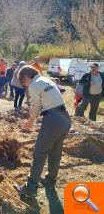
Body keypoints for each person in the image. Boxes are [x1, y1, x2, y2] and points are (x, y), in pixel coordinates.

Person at [14, 66, 71, 198]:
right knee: (55, 152)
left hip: (53, 120)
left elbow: (36, 106)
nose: (24, 86)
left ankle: (30, 188)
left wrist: (30, 120)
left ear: (27, 77)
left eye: (23, 82)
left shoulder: (34, 85)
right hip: (65, 119)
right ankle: (50, 180)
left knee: (39, 152)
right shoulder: (47, 80)